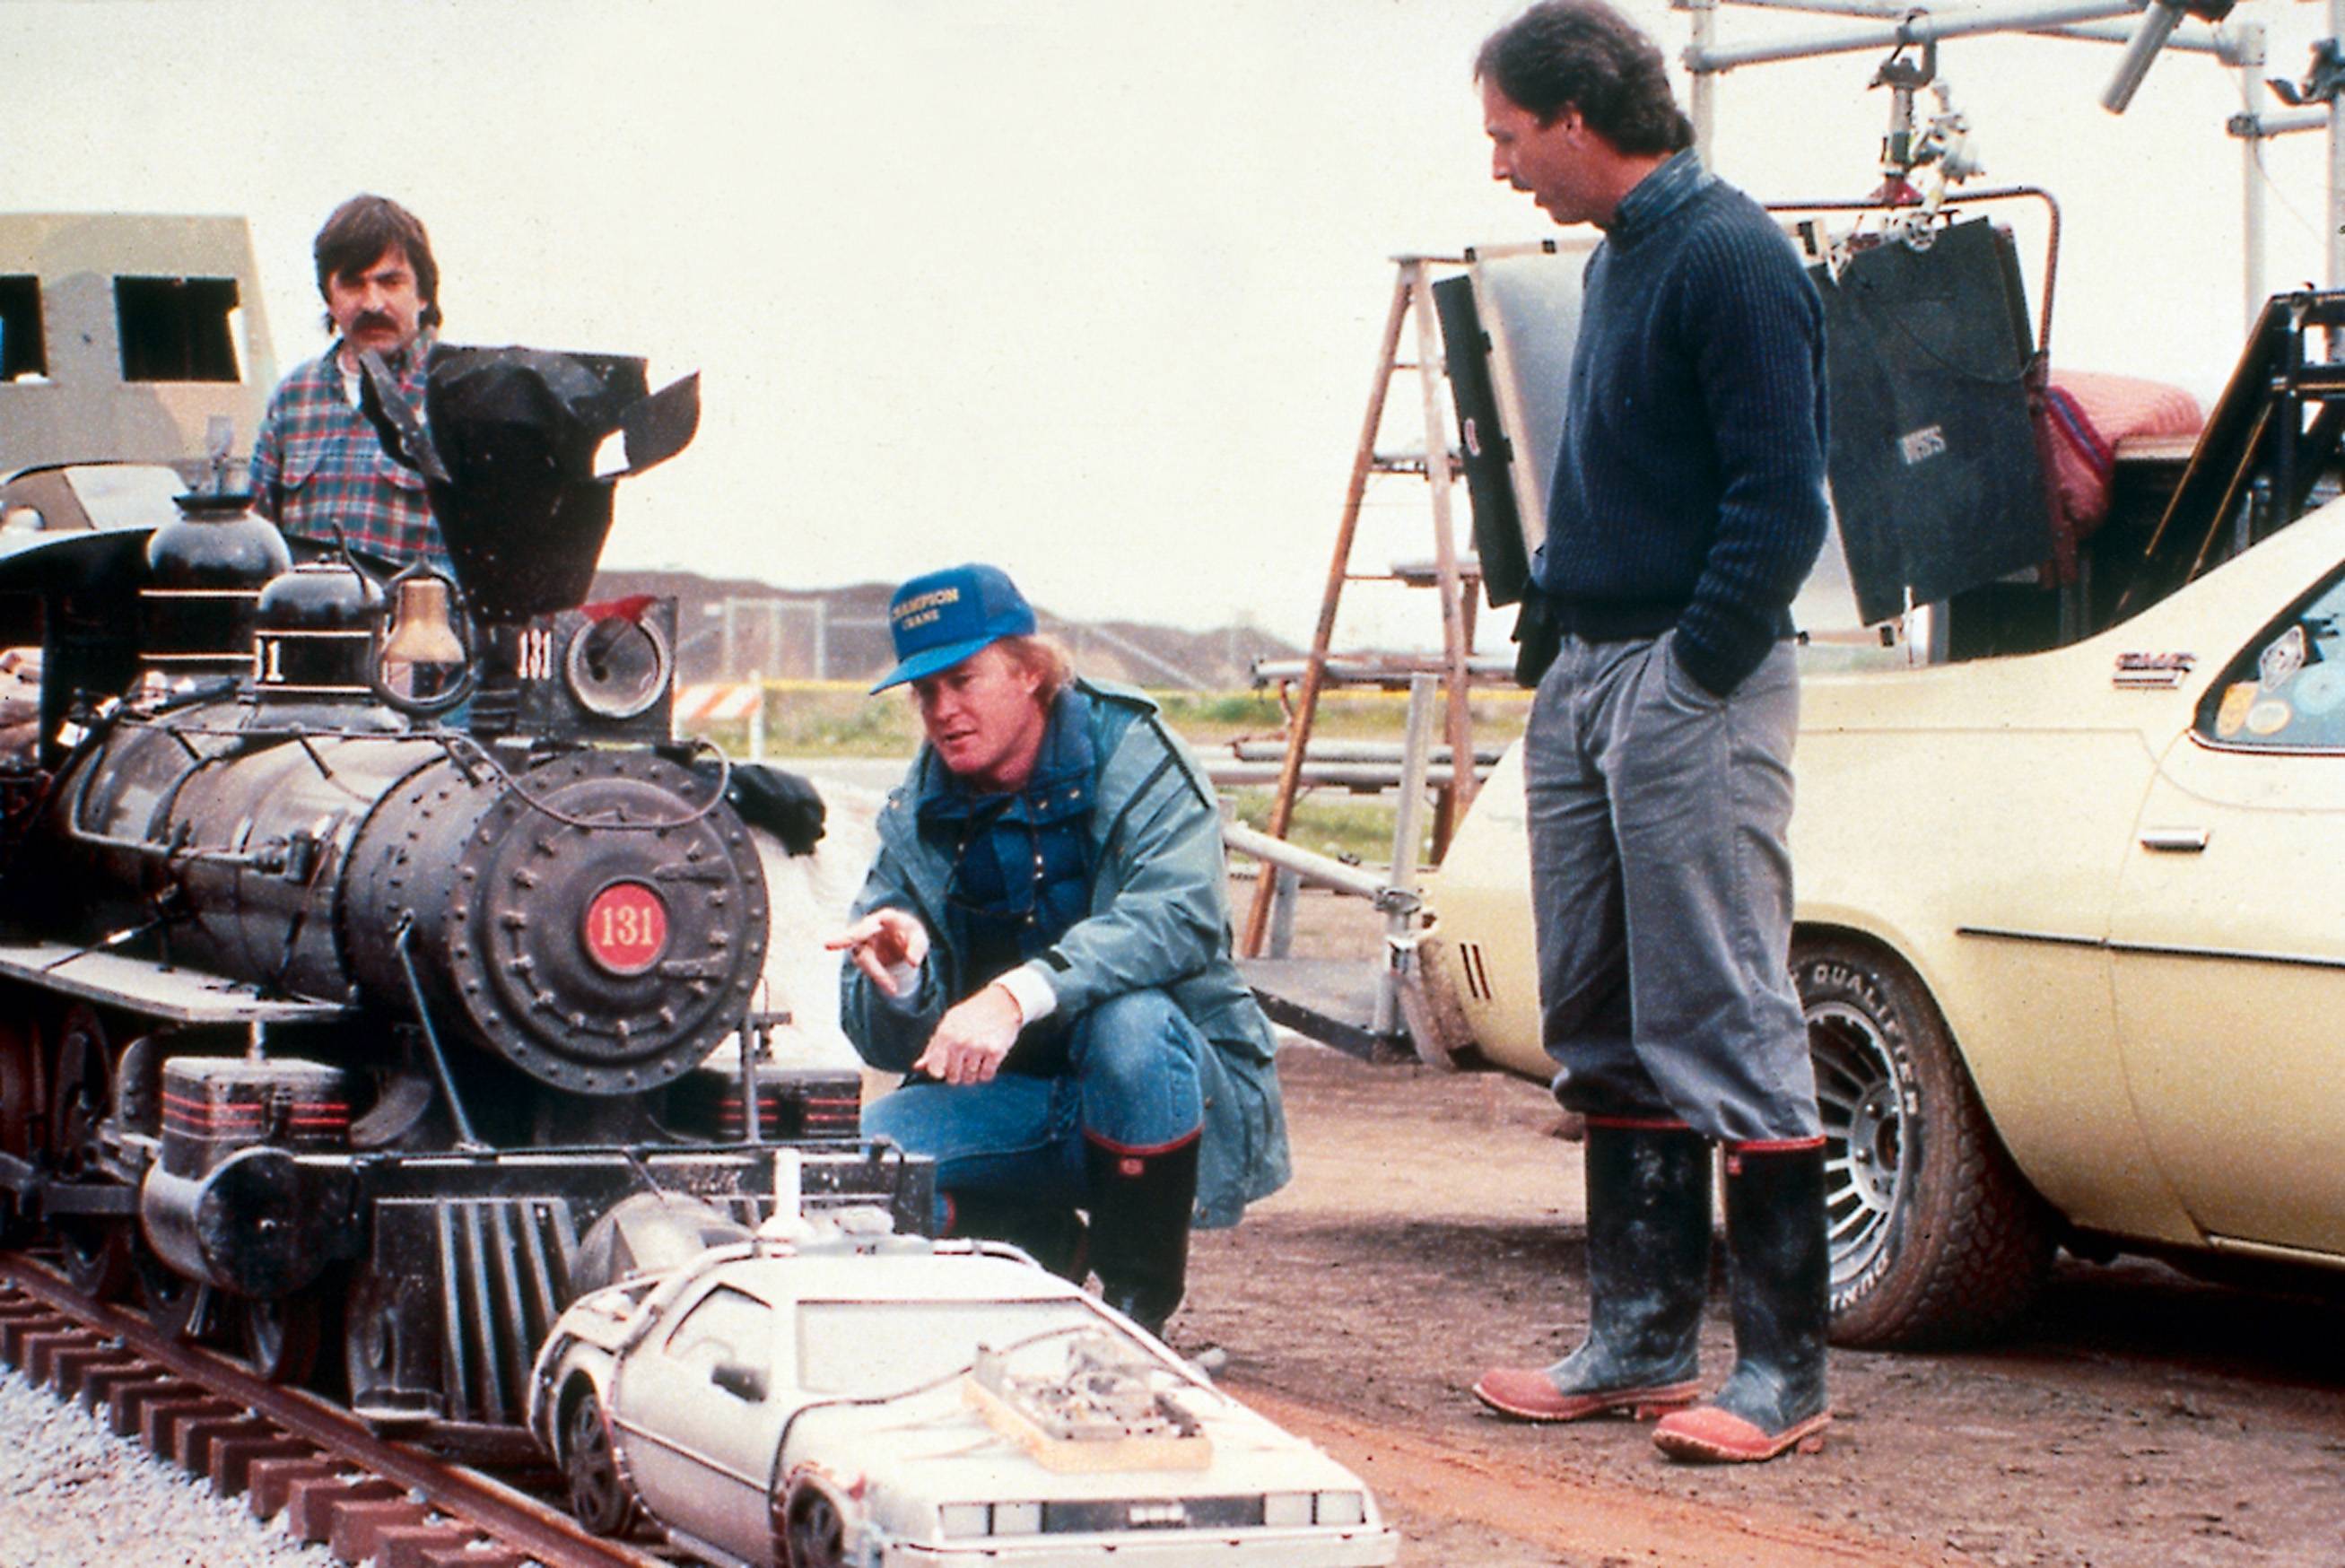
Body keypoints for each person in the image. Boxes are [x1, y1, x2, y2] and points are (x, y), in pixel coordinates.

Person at [1465, 1, 1835, 1465]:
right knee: (1599, 1015)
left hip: (1691, 676)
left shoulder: (1730, 255)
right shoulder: (1620, 257)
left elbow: (1778, 499)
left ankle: (1783, 1374)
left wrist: (1689, 674)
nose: (1500, 165)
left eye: (1507, 136)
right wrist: (1556, 638)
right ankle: (1636, 1343)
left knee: (1720, 1007)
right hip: (1591, 668)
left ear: (1575, 117)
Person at [829, 562, 1289, 1338]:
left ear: (1031, 672)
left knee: (1130, 1025)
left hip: (1169, 1099)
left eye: (963, 681)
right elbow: (883, 1043)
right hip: (1016, 1104)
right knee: (845, 1177)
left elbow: (1177, 916)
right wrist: (902, 976)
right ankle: (1041, 1248)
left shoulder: (1133, 752)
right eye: (925, 692)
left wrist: (1014, 996)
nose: (943, 711)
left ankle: (1138, 1311)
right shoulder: (919, 811)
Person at [248, 194, 451, 574]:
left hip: (421, 613)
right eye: (353, 284)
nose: (372, 303)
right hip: (309, 610)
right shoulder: (293, 398)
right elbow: (257, 538)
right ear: (328, 297)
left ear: (423, 294)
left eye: (390, 282)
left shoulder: (458, 395)